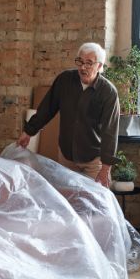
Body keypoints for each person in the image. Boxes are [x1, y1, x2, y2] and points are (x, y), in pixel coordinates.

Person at [16, 42, 120, 188]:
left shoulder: (108, 92)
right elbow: (47, 109)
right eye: (80, 62)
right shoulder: (64, 80)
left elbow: (110, 131)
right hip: (66, 156)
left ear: (100, 66)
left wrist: (105, 168)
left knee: (96, 205)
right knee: (68, 202)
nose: (83, 67)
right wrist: (28, 132)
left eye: (89, 63)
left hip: (93, 160)